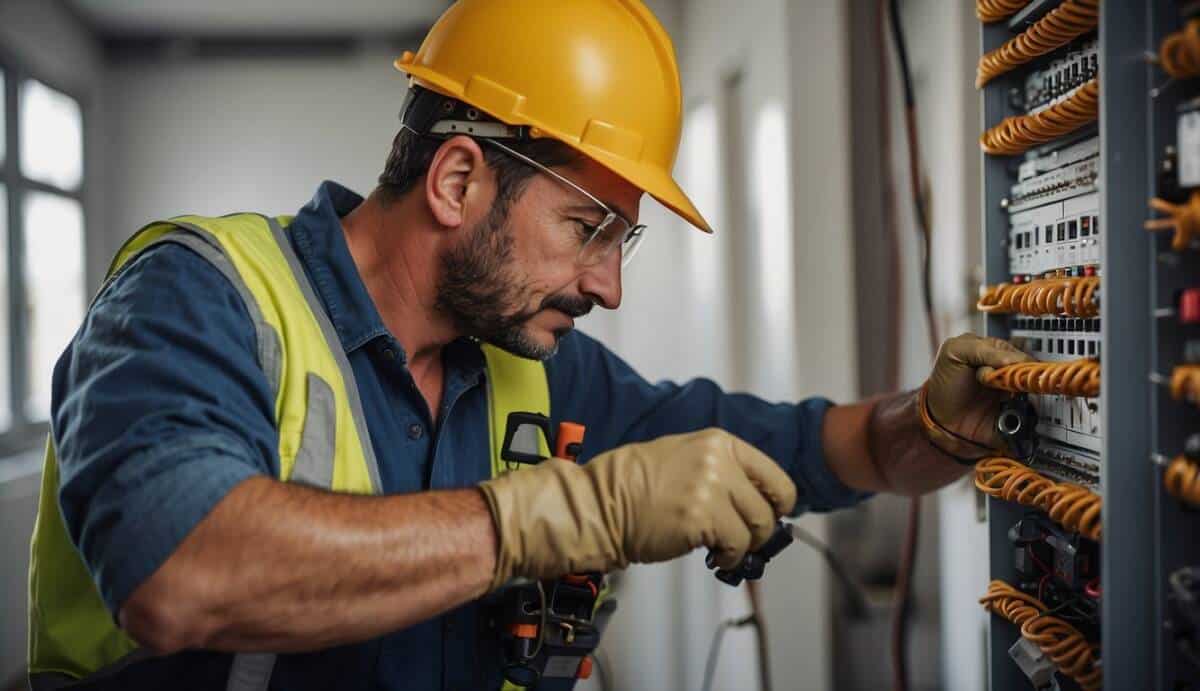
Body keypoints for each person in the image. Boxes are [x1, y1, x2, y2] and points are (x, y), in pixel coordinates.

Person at [26, 1, 1030, 689]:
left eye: (622, 241)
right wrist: (558, 513)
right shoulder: (201, 298)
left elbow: (806, 447)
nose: (609, 284)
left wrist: (929, 426)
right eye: (588, 228)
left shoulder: (531, 364)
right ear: (458, 180)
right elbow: (181, 571)